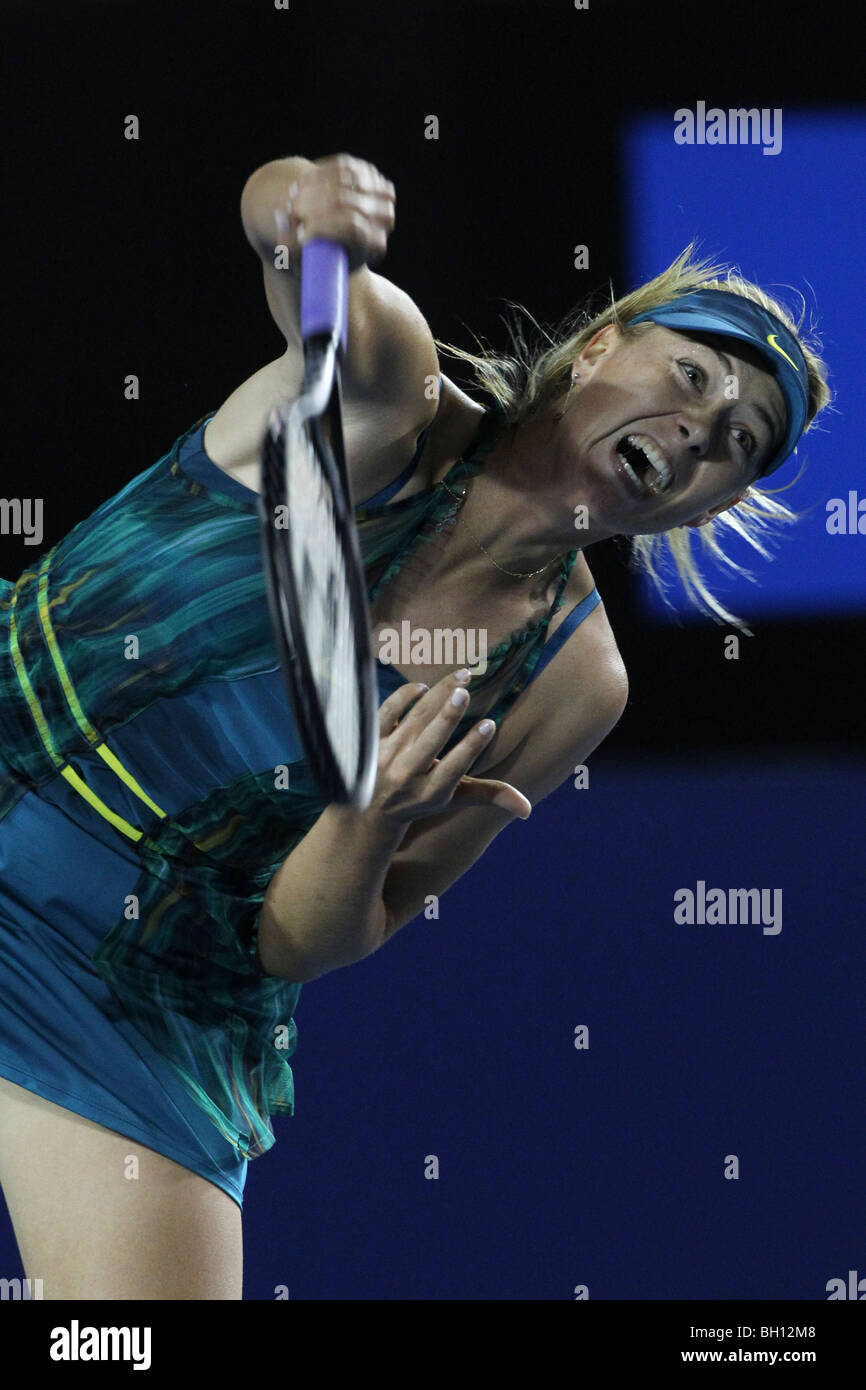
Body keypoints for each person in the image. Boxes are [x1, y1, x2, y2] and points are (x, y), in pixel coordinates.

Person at [0, 153, 831, 1299]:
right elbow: (305, 267)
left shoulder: (572, 683)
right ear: (598, 348)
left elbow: (309, 940)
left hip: (141, 989)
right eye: (688, 374)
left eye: (738, 442)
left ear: (715, 499)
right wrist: (299, 204)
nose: (698, 429)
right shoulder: (393, 399)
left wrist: (364, 820)